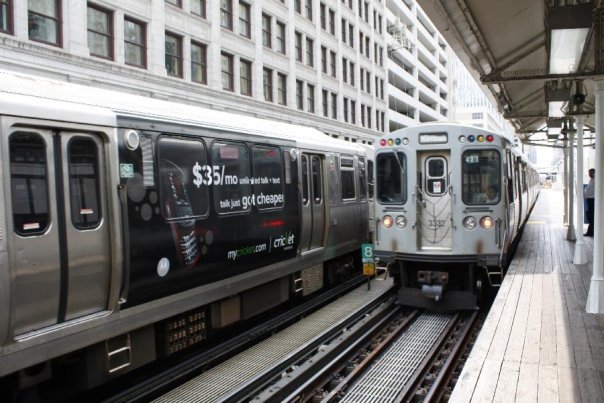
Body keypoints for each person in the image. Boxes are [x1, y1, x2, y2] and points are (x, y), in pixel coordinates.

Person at [584, 168, 595, 237]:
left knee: (591, 216)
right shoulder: (591, 180)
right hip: (589, 200)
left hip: (592, 200)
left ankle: (590, 232)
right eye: (589, 173)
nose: (590, 174)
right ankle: (590, 231)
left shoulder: (595, 180)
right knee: (590, 216)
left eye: (591, 173)